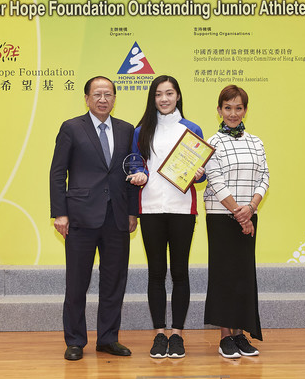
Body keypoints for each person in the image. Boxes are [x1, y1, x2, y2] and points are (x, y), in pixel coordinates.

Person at [49, 76, 140, 361]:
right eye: (97, 94)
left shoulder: (127, 130)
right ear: (87, 98)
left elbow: (132, 173)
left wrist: (132, 212)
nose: (103, 99)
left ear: (115, 98)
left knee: (114, 282)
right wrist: (60, 212)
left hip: (116, 218)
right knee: (77, 283)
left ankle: (108, 339)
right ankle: (75, 340)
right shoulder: (72, 128)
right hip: (79, 217)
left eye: (108, 94)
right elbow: (57, 173)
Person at [127, 75, 205, 358]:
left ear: (178, 96)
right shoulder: (141, 130)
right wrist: (138, 174)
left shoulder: (192, 128)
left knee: (180, 273)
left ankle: (178, 334)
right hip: (151, 209)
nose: (164, 99)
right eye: (159, 94)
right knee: (156, 273)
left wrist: (200, 174)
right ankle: (159, 333)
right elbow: (137, 163)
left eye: (169, 93)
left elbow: (202, 169)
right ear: (153, 98)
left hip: (182, 209)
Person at [203, 85, 269, 359]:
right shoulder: (210, 143)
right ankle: (224, 338)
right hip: (221, 218)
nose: (233, 113)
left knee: (243, 277)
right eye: (227, 108)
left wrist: (251, 208)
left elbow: (264, 176)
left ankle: (241, 334)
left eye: (238, 107)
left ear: (245, 110)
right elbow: (216, 180)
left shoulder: (256, 142)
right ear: (219, 110)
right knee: (224, 276)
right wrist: (239, 214)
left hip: (247, 216)